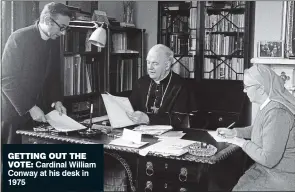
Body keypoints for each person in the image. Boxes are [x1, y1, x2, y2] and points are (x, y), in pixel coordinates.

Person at [216, 64, 295, 191]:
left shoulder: (277, 113)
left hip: (281, 177)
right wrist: (234, 132)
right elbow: (260, 129)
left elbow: (268, 159)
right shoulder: (269, 105)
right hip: (269, 171)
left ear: (260, 89)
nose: (244, 90)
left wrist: (241, 143)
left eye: (246, 86)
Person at [1, 2, 71, 144]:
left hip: (41, 113)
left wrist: (57, 100)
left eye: (66, 29)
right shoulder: (18, 38)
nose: (63, 33)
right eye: (62, 27)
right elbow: (6, 79)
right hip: (16, 112)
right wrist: (30, 108)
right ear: (47, 20)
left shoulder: (54, 42)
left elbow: (53, 76)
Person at [127, 44, 192, 128]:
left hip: (170, 136)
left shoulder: (181, 86)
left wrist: (148, 119)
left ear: (167, 65)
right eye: (148, 62)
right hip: (140, 133)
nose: (150, 67)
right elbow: (131, 109)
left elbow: (178, 119)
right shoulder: (141, 82)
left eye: (155, 63)